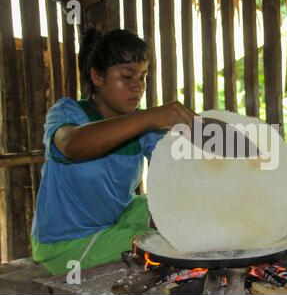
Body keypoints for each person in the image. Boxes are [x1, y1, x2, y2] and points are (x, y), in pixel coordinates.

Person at [30, 28, 196, 275]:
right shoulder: (69, 112)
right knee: (162, 243)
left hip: (116, 222)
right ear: (97, 76)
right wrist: (150, 117)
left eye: (143, 77)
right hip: (67, 243)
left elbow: (177, 169)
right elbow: (72, 146)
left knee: (176, 207)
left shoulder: (142, 127)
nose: (137, 86)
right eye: (127, 76)